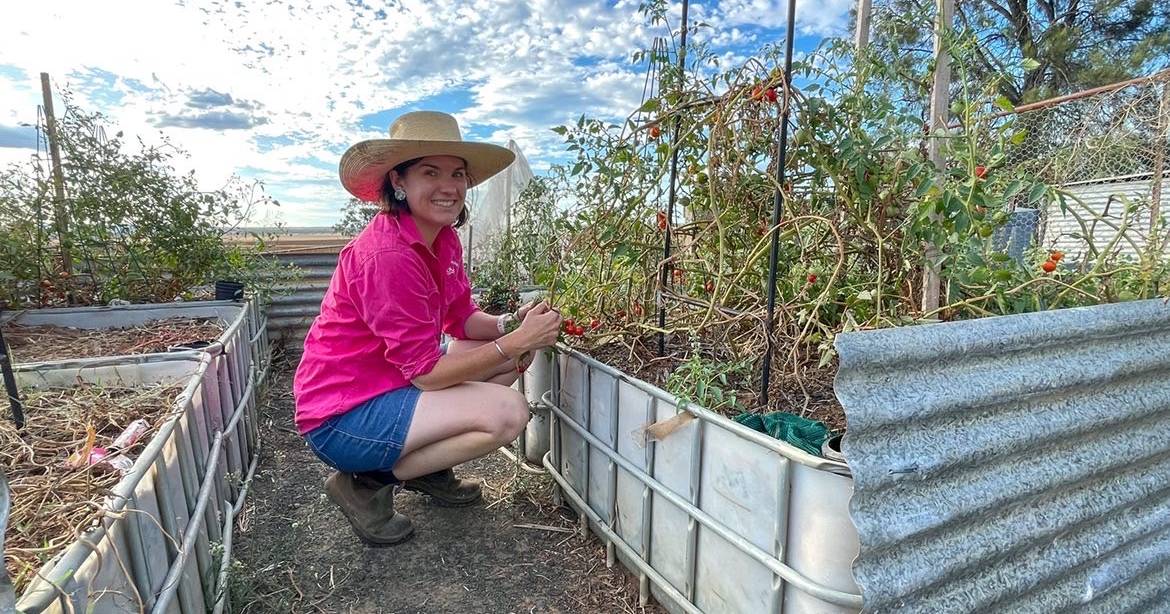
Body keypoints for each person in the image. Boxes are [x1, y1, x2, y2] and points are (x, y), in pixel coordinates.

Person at [293, 110, 562, 545]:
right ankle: (365, 484)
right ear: (398, 182)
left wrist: (513, 324)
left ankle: (428, 468)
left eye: (457, 173)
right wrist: (513, 342)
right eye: (430, 172)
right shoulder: (389, 256)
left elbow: (462, 319)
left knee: (506, 360)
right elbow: (425, 373)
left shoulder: (442, 238)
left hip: (385, 387)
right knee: (508, 413)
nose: (449, 186)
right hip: (342, 416)